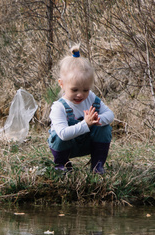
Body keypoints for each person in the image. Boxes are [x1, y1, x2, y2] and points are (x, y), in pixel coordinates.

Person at [47, 45, 114, 173]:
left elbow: (110, 114)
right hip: (66, 146)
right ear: (61, 84)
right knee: (58, 137)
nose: (80, 95)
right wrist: (86, 124)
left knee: (104, 128)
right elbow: (63, 134)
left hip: (87, 144)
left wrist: (97, 119)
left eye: (85, 90)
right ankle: (62, 166)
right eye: (74, 90)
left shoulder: (91, 99)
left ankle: (97, 166)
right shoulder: (58, 107)